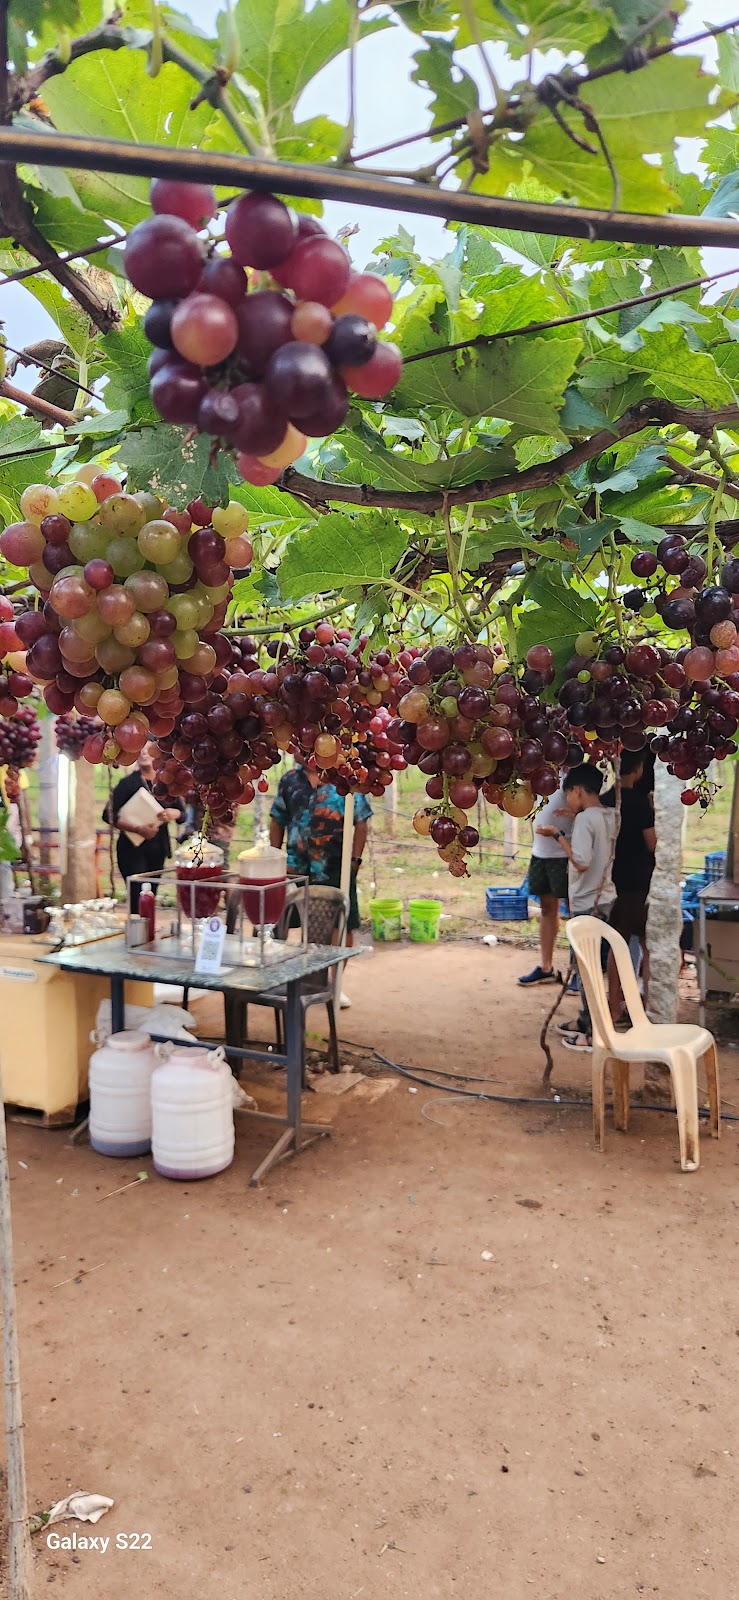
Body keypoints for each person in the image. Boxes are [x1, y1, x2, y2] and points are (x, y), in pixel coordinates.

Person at [269, 764, 372, 1004]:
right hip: (295, 868)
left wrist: (355, 860)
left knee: (341, 925)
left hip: (335, 867)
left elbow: (362, 822)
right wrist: (274, 858)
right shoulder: (290, 780)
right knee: (288, 924)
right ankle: (297, 980)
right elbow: (277, 819)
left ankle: (335, 984)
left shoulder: (347, 778)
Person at [538, 762, 616, 1052]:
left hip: (587, 903)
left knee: (585, 970)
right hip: (605, 896)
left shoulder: (585, 821)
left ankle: (593, 1032)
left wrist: (558, 835)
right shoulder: (609, 814)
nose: (568, 799)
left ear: (579, 791)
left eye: (569, 794)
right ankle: (586, 1020)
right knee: (592, 966)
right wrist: (575, 816)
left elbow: (581, 861)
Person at [601, 749, 656, 1020]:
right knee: (648, 944)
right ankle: (645, 1008)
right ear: (639, 770)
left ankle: (613, 1007)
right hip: (639, 881)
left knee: (617, 944)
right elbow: (652, 842)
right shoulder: (640, 803)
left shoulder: (604, 800)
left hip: (613, 880)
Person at [103, 744, 184, 913]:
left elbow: (182, 814)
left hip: (158, 849)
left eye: (149, 750)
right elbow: (108, 815)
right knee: (137, 894)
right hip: (132, 849)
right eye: (140, 749)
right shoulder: (127, 783)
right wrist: (138, 828)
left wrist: (172, 813)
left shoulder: (166, 781)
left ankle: (148, 932)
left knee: (151, 895)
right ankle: (136, 932)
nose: (145, 753)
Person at [518, 781, 573, 986]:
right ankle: (546, 967)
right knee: (547, 909)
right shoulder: (543, 770)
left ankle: (578, 972)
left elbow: (592, 809)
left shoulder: (575, 773)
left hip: (566, 854)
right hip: (541, 852)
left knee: (577, 914)